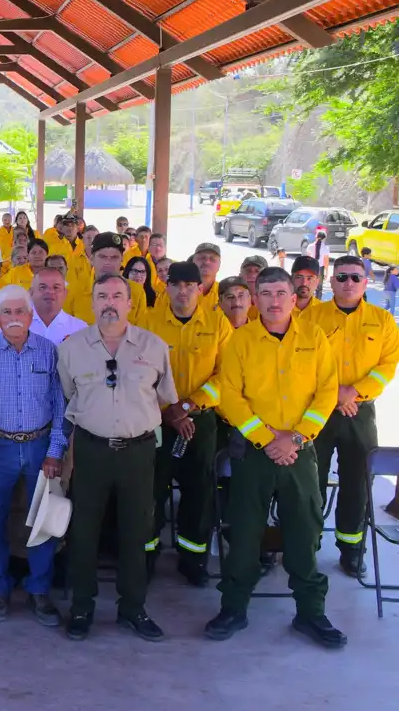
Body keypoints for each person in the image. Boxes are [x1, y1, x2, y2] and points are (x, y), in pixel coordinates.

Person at [205, 267, 345, 648]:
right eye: (265, 293)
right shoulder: (241, 340)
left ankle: (311, 613)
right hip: (254, 453)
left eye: (281, 292)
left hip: (299, 452)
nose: (275, 300)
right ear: (256, 297)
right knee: (246, 531)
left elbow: (327, 392)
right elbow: (230, 396)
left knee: (305, 531)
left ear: (293, 295)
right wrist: (268, 439)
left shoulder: (314, 337)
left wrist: (296, 438)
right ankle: (234, 607)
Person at [57, 274, 178, 642]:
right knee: (84, 532)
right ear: (91, 302)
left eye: (117, 296)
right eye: (102, 296)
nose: (109, 302)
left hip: (138, 453)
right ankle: (81, 606)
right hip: (91, 451)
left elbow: (164, 395)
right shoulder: (71, 348)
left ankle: (133, 608)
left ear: (130, 303)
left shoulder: (154, 347)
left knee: (135, 531)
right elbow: (68, 393)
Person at [0, 286, 67, 627]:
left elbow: (60, 407)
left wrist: (55, 451)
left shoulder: (49, 352)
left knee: (42, 522)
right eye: (6, 313)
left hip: (40, 447)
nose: (13, 319)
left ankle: (39, 589)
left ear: (30, 315)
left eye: (20, 312)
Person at [307, 255, 399, 577]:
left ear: (366, 281)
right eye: (341, 277)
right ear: (331, 281)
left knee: (357, 481)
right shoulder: (311, 318)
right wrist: (334, 395)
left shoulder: (383, 321)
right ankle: (308, 544)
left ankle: (351, 548)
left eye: (355, 278)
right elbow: (301, 362)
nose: (348, 283)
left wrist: (354, 393)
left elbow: (387, 367)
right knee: (310, 481)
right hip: (316, 411)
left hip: (359, 412)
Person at [141, 262, 232, 586]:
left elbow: (226, 375)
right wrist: (166, 411)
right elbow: (137, 372)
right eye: (176, 284)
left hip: (199, 422)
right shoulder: (149, 322)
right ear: (165, 286)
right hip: (156, 420)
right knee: (151, 490)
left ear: (201, 288)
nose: (182, 291)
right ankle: (146, 554)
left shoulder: (218, 324)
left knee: (199, 491)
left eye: (189, 285)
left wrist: (187, 405)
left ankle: (192, 558)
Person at [65, 232, 149, 326]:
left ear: (121, 260)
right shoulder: (73, 291)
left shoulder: (136, 292)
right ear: (92, 259)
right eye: (103, 257)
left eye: (114, 257)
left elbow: (140, 334)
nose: (108, 262)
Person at [30, 267, 86, 345]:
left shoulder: (80, 329)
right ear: (31, 292)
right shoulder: (18, 326)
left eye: (56, 287)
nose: (50, 291)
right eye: (43, 287)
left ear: (65, 293)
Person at [192, 243, 223, 312]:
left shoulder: (225, 293)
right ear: (193, 261)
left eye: (212, 259)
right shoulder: (178, 290)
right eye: (202, 258)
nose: (207, 262)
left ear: (219, 264)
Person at [307, 228, 332, 299]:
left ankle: (309, 302)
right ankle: (318, 302)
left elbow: (308, 259)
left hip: (311, 268)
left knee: (310, 286)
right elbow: (326, 261)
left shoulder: (310, 246)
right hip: (320, 269)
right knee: (319, 287)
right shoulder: (326, 248)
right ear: (324, 239)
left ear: (316, 237)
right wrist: (327, 271)